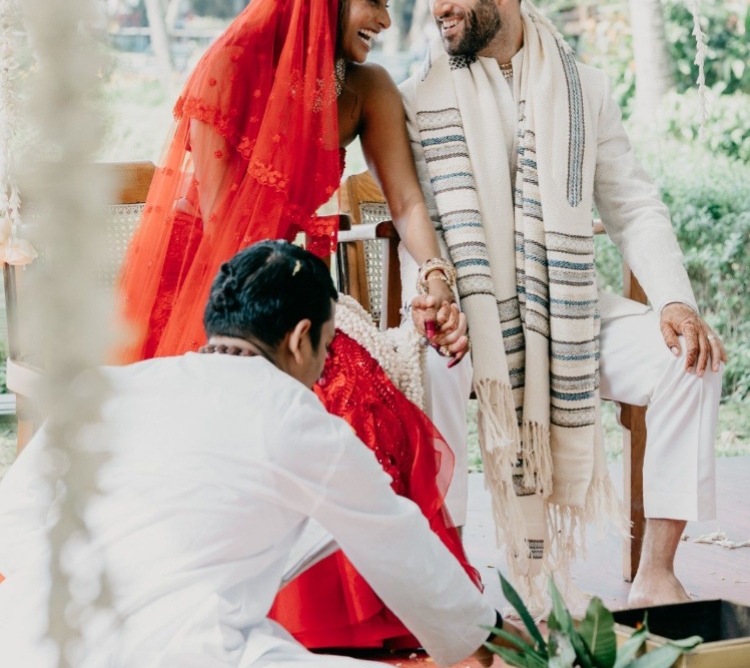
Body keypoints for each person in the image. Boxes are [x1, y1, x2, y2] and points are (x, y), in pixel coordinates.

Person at [115, 0, 471, 646]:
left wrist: (436, 279)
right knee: (336, 402)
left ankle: (379, 615)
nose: (385, 19)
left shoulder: (367, 88)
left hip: (313, 298)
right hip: (236, 295)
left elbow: (404, 203)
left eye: (389, 3)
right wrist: (287, 322)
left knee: (374, 408)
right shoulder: (230, 67)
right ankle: (293, 612)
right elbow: (224, 227)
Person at [399, 0, 727, 608]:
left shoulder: (584, 90)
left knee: (689, 359)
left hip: (570, 309)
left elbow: (634, 204)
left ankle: (657, 572)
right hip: (463, 312)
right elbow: (409, 219)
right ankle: (450, 570)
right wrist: (436, 297)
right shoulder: (421, 98)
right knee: (430, 366)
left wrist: (673, 301)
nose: (438, 6)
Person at [0, 241, 517, 668]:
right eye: (328, 344)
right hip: (182, 650)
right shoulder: (300, 420)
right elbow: (402, 548)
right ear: (300, 339)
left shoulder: (106, 388)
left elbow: (14, 522)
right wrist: (489, 642)